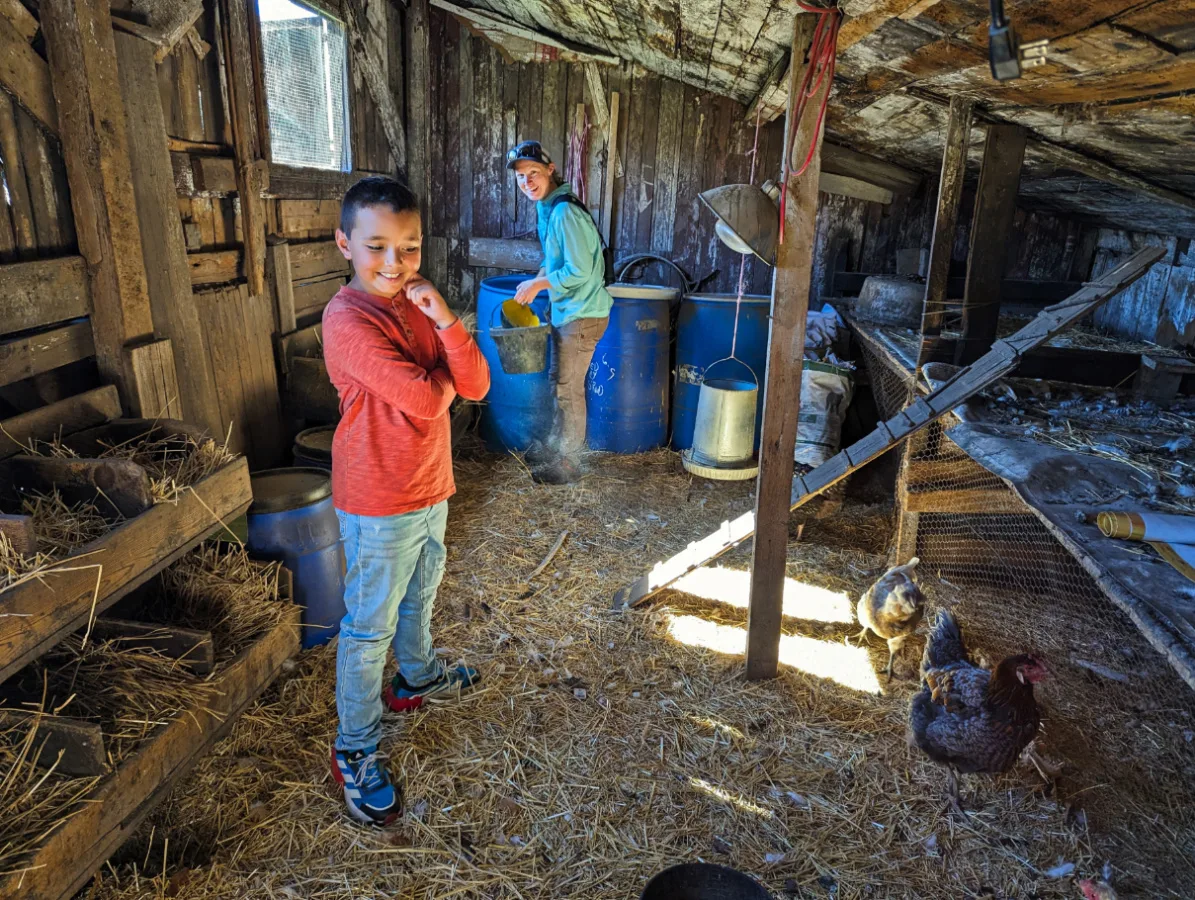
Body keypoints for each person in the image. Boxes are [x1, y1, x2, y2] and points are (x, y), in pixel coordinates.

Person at [323, 176, 490, 825]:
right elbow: (425, 399)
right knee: (369, 628)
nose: (394, 263)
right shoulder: (346, 318)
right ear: (344, 243)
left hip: (429, 483)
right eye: (376, 247)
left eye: (409, 247)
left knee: (422, 593)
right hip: (377, 496)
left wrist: (445, 317)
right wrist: (439, 377)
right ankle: (354, 748)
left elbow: (472, 386)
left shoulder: (419, 303)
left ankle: (416, 678)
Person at [508, 140, 612, 485]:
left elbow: (580, 271)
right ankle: (556, 448)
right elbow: (555, 261)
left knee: (569, 390)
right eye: (522, 178)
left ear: (550, 170)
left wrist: (538, 287)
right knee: (559, 383)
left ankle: (569, 462)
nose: (527, 183)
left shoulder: (565, 211)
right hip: (567, 311)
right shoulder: (548, 208)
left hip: (583, 314)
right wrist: (537, 278)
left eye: (533, 173)